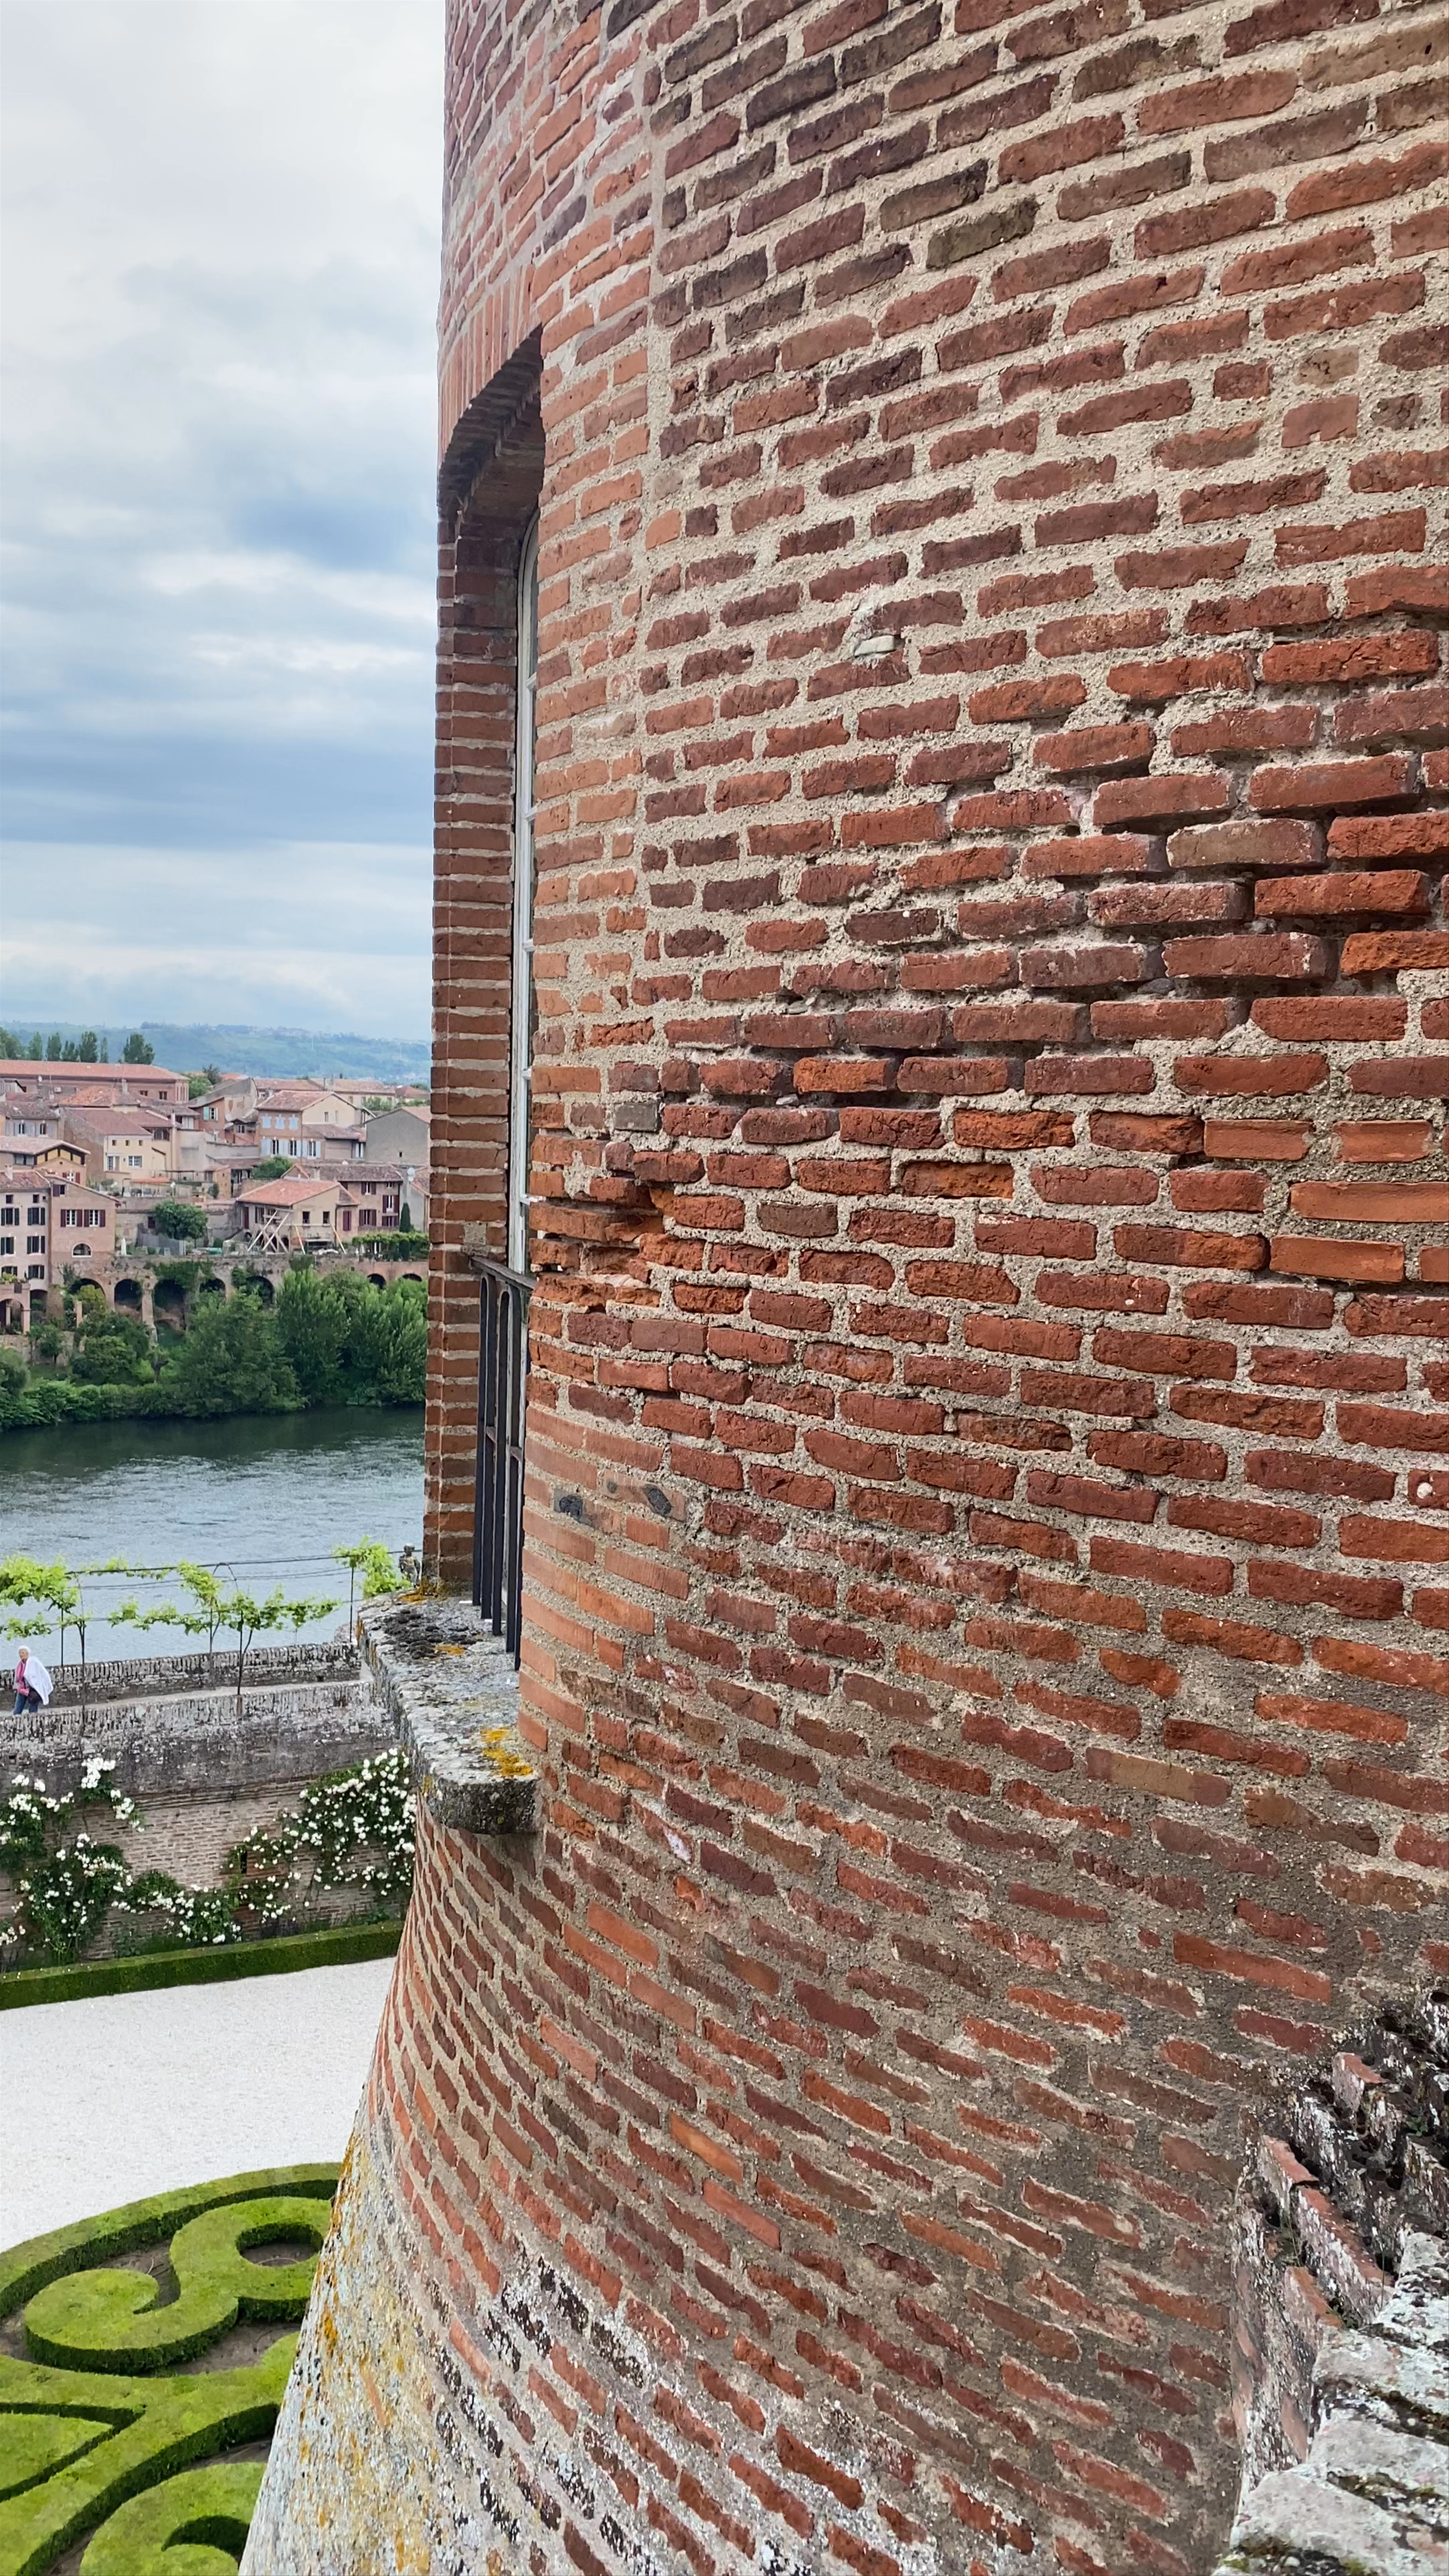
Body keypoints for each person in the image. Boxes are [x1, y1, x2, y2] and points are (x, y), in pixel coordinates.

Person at [12, 1645, 52, 1716]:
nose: (21, 1655)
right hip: (22, 1689)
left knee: (33, 1710)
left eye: (23, 1653)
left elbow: (41, 1674)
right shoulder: (20, 1665)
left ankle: (33, 1723)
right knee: (17, 1711)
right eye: (20, 1653)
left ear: (27, 1654)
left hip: (33, 1690)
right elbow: (19, 1678)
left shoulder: (33, 1663)